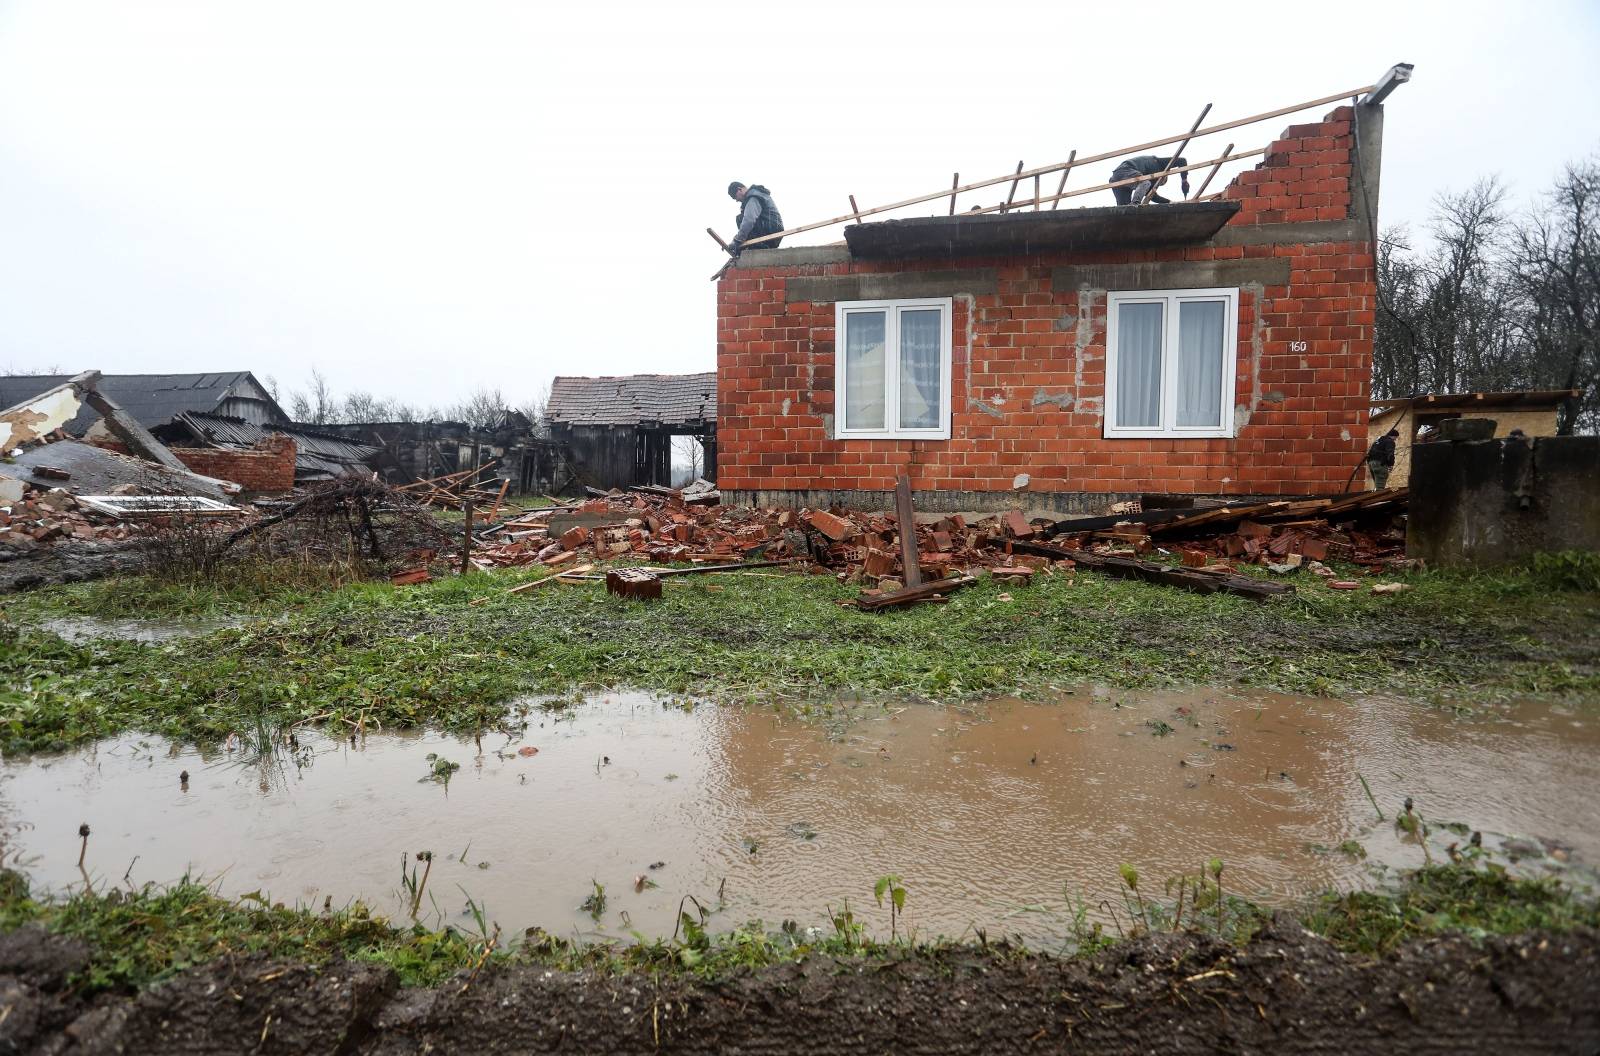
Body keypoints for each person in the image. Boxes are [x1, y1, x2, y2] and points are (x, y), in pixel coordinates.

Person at [726, 182, 784, 254]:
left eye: (735, 197)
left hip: (771, 231)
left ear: (739, 189)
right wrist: (734, 241)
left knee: (740, 219)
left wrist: (737, 241)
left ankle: (757, 246)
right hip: (773, 231)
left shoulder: (753, 197)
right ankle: (753, 247)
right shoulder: (757, 194)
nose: (737, 200)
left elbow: (749, 220)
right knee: (741, 222)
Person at [1110, 156, 1189, 205]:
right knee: (1145, 182)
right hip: (1127, 170)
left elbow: (1152, 196)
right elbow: (1182, 161)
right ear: (1164, 175)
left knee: (1124, 209)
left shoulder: (1149, 178)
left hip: (1115, 178)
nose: (1158, 184)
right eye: (1162, 182)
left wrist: (1169, 202)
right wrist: (1184, 180)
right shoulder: (1159, 163)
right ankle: (1135, 204)